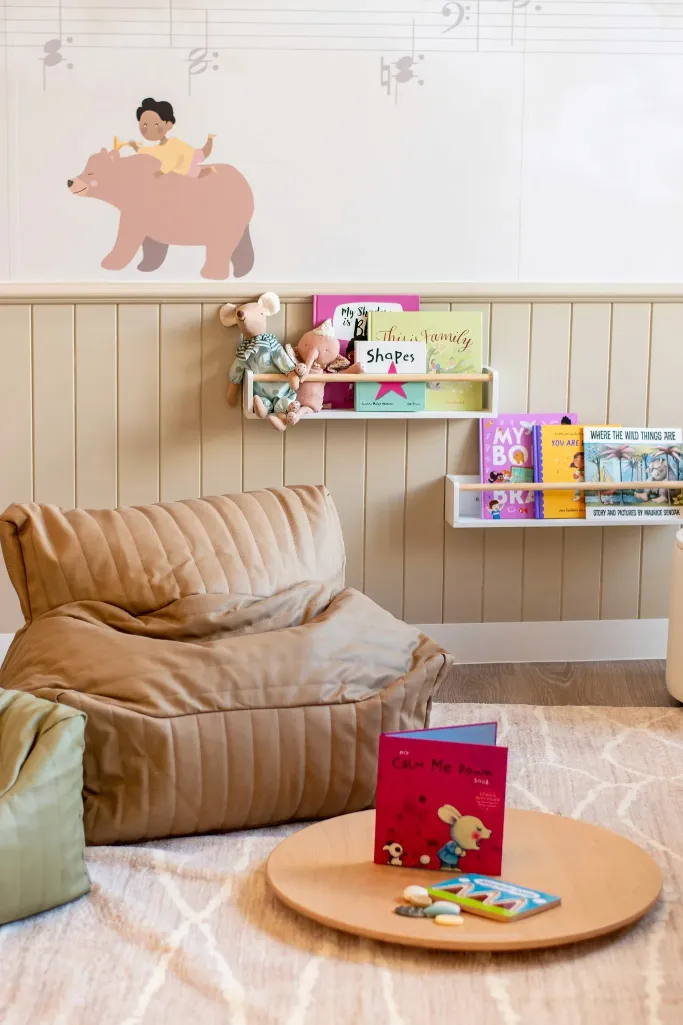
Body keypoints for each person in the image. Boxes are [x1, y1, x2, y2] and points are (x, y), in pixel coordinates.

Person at [127, 97, 216, 178]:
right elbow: (146, 151)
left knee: (204, 154)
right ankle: (210, 169)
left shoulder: (171, 143)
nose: (149, 129)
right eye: (145, 125)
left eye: (156, 124)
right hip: (185, 165)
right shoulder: (157, 149)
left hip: (189, 158)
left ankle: (210, 138)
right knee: (200, 172)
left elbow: (171, 160)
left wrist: (162, 172)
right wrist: (135, 147)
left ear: (168, 124)